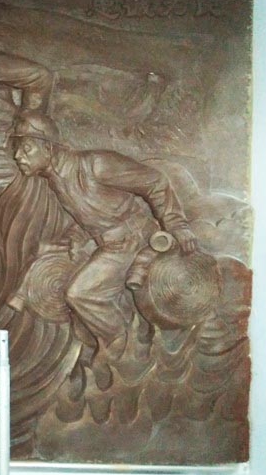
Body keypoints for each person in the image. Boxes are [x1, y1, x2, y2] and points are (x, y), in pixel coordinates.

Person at [10, 111, 198, 387]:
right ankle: (99, 344)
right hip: (108, 244)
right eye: (17, 148)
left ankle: (119, 343)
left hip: (133, 241)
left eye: (26, 148)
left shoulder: (95, 165)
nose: (17, 156)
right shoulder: (57, 179)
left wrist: (177, 225)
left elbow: (155, 182)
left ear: (48, 147)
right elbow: (94, 213)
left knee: (80, 293)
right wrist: (76, 237)